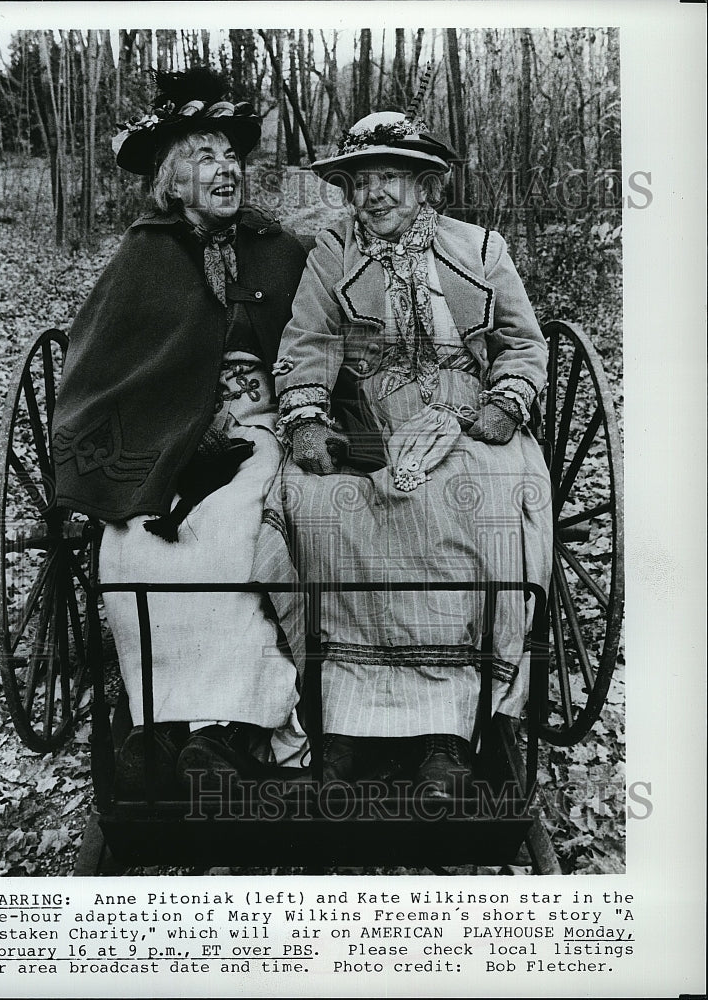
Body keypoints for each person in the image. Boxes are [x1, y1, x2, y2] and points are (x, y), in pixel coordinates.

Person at [255, 111, 552, 797]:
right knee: (312, 499)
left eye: (389, 177)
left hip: (467, 417)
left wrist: (506, 402)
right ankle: (345, 723)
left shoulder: (479, 251)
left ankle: (447, 731)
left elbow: (522, 342)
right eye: (360, 181)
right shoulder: (333, 255)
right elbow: (305, 345)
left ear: (423, 185)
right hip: (370, 418)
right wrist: (305, 418)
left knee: (476, 501)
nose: (373, 194)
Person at [51, 68, 308, 797]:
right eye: (203, 156)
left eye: (230, 155)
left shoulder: (276, 248)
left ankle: (226, 727)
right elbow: (105, 373)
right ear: (173, 179)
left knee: (230, 534)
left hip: (262, 432)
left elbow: (317, 345)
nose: (223, 169)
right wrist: (176, 433)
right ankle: (158, 720)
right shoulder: (145, 256)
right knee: (129, 547)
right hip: (162, 447)